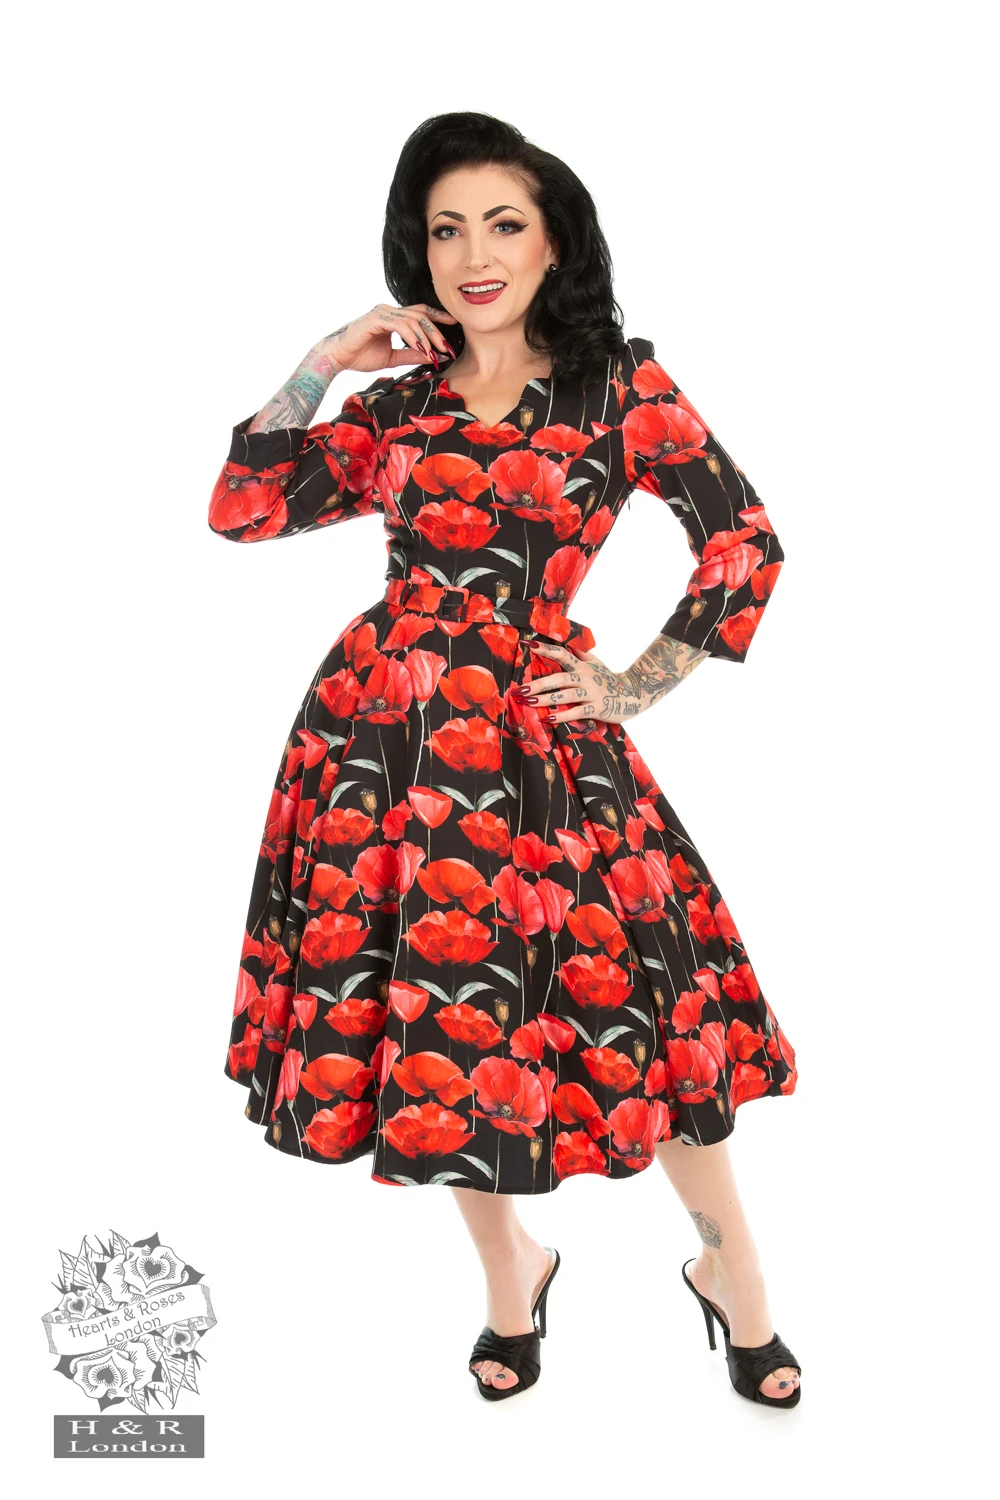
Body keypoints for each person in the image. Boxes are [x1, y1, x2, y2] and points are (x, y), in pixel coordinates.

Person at [209, 111, 801, 1407]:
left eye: (504, 224)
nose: (474, 254)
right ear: (418, 253)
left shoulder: (618, 387)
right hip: (382, 748)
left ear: (554, 244)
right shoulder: (400, 403)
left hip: (543, 747)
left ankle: (736, 1276)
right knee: (434, 1033)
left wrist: (633, 684)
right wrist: (325, 359)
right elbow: (242, 508)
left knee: (656, 1029)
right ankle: (509, 1275)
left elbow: (745, 542)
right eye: (446, 230)